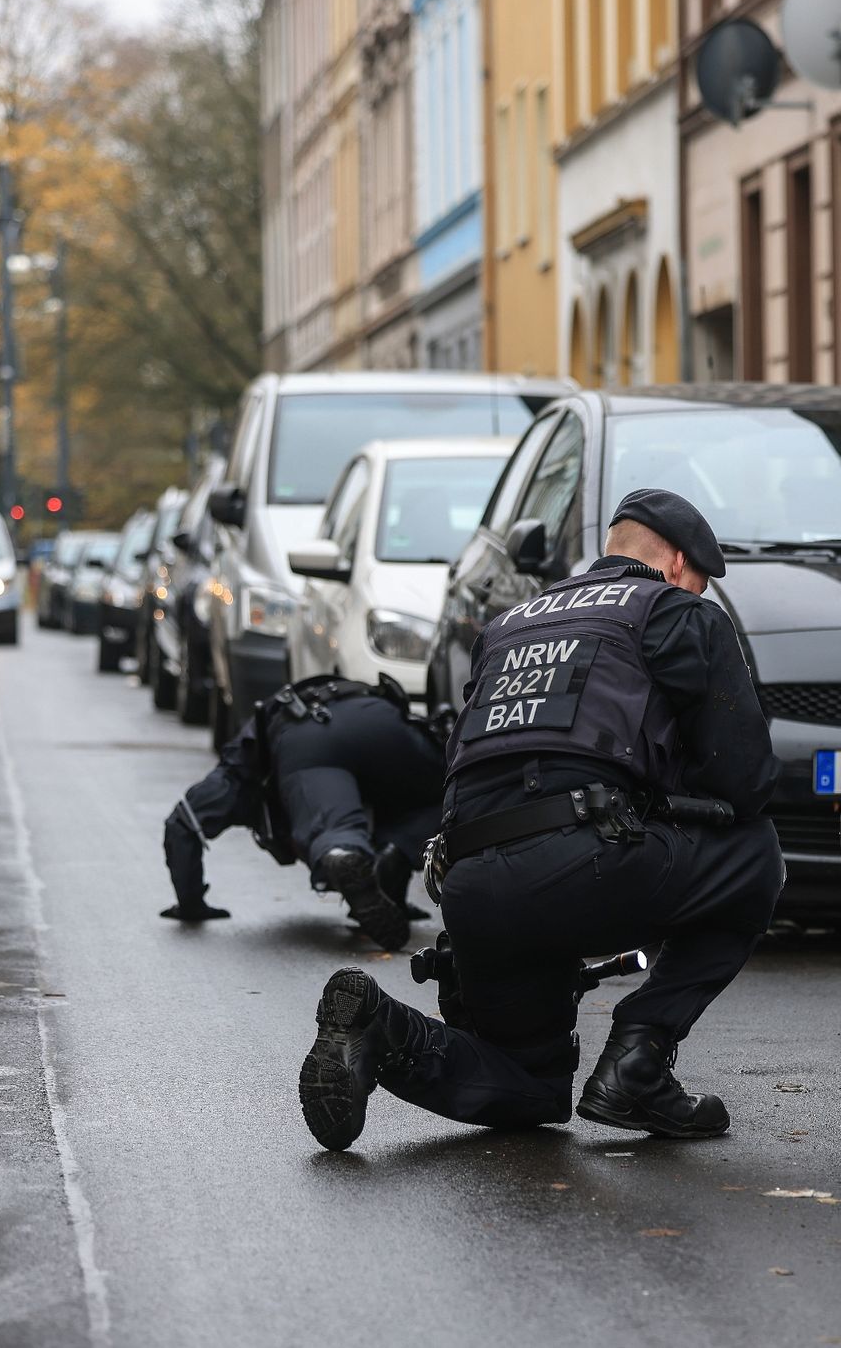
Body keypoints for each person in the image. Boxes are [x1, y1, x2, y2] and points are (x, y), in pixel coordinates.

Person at [298, 488, 783, 1150]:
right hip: (585, 863)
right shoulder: (673, 613)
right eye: (699, 581)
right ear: (674, 563)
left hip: (471, 887)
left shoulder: (510, 623)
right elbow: (746, 779)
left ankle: (380, 1028)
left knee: (530, 1084)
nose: (698, 593)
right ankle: (640, 1056)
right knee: (755, 853)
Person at [161, 674, 445, 951]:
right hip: (383, 718)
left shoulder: (242, 763)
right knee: (449, 791)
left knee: (335, 829)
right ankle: (396, 855)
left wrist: (190, 903)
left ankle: (342, 852)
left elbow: (184, 822)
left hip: (308, 734)